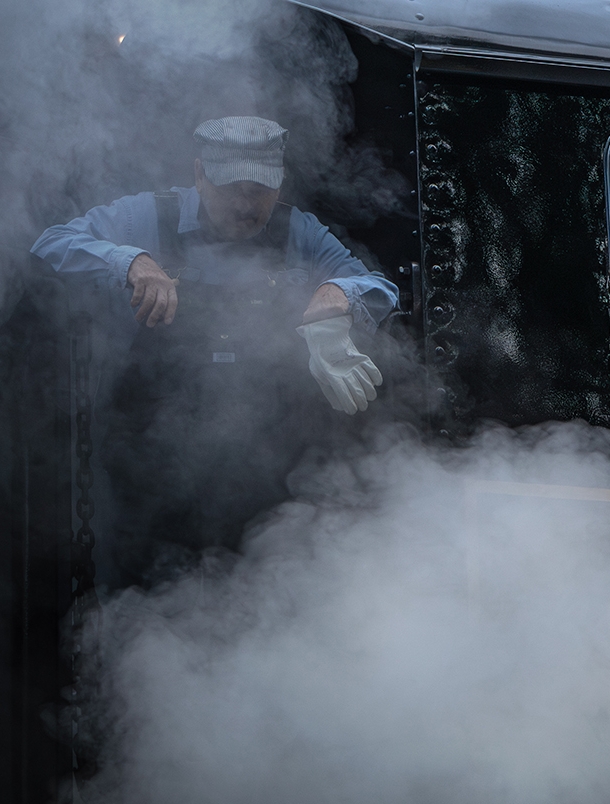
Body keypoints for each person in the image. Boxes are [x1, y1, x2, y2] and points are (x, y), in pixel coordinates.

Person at [31, 116, 400, 583]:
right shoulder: (147, 216)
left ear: (280, 180)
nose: (247, 205)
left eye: (259, 189)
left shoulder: (298, 232)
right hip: (146, 474)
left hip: (266, 475)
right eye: (233, 188)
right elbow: (50, 244)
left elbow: (379, 287)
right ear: (200, 174)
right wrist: (132, 261)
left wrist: (337, 296)